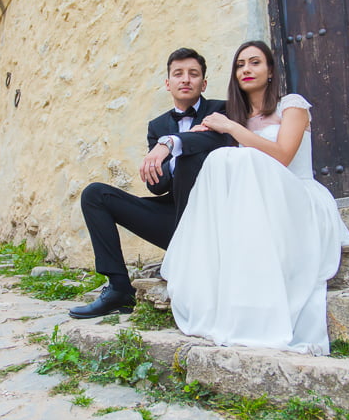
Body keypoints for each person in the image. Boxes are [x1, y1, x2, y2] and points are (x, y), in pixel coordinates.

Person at [161, 40, 349, 355]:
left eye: (255, 63)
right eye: (240, 65)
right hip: (259, 206)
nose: (246, 70)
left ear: (269, 71)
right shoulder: (236, 118)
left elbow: (281, 156)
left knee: (236, 157)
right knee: (221, 160)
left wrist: (229, 128)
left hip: (298, 196)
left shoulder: (291, 105)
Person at [69, 48, 232, 319]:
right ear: (167, 83)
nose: (186, 80)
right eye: (178, 74)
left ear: (204, 83)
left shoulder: (221, 109)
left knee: (191, 159)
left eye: (193, 74)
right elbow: (157, 188)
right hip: (174, 220)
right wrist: (161, 164)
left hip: (211, 221)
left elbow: (221, 141)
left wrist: (174, 144)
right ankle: (119, 289)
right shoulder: (157, 125)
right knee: (94, 194)